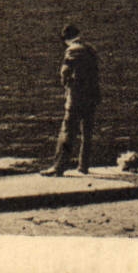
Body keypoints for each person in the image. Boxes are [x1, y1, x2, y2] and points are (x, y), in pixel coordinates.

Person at [41, 23, 100, 176]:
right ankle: (83, 166)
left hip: (76, 98)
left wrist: (67, 88)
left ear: (66, 39)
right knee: (87, 133)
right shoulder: (90, 49)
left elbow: (64, 73)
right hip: (92, 97)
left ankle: (59, 167)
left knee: (67, 132)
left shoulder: (72, 50)